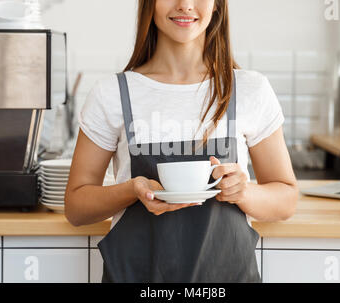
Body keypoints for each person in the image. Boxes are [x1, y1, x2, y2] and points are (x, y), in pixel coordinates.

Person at [65, 0, 299, 283]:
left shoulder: (250, 89)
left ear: (217, 5)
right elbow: (76, 207)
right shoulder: (112, 93)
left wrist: (244, 192)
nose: (186, 5)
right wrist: (131, 189)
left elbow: (286, 200)